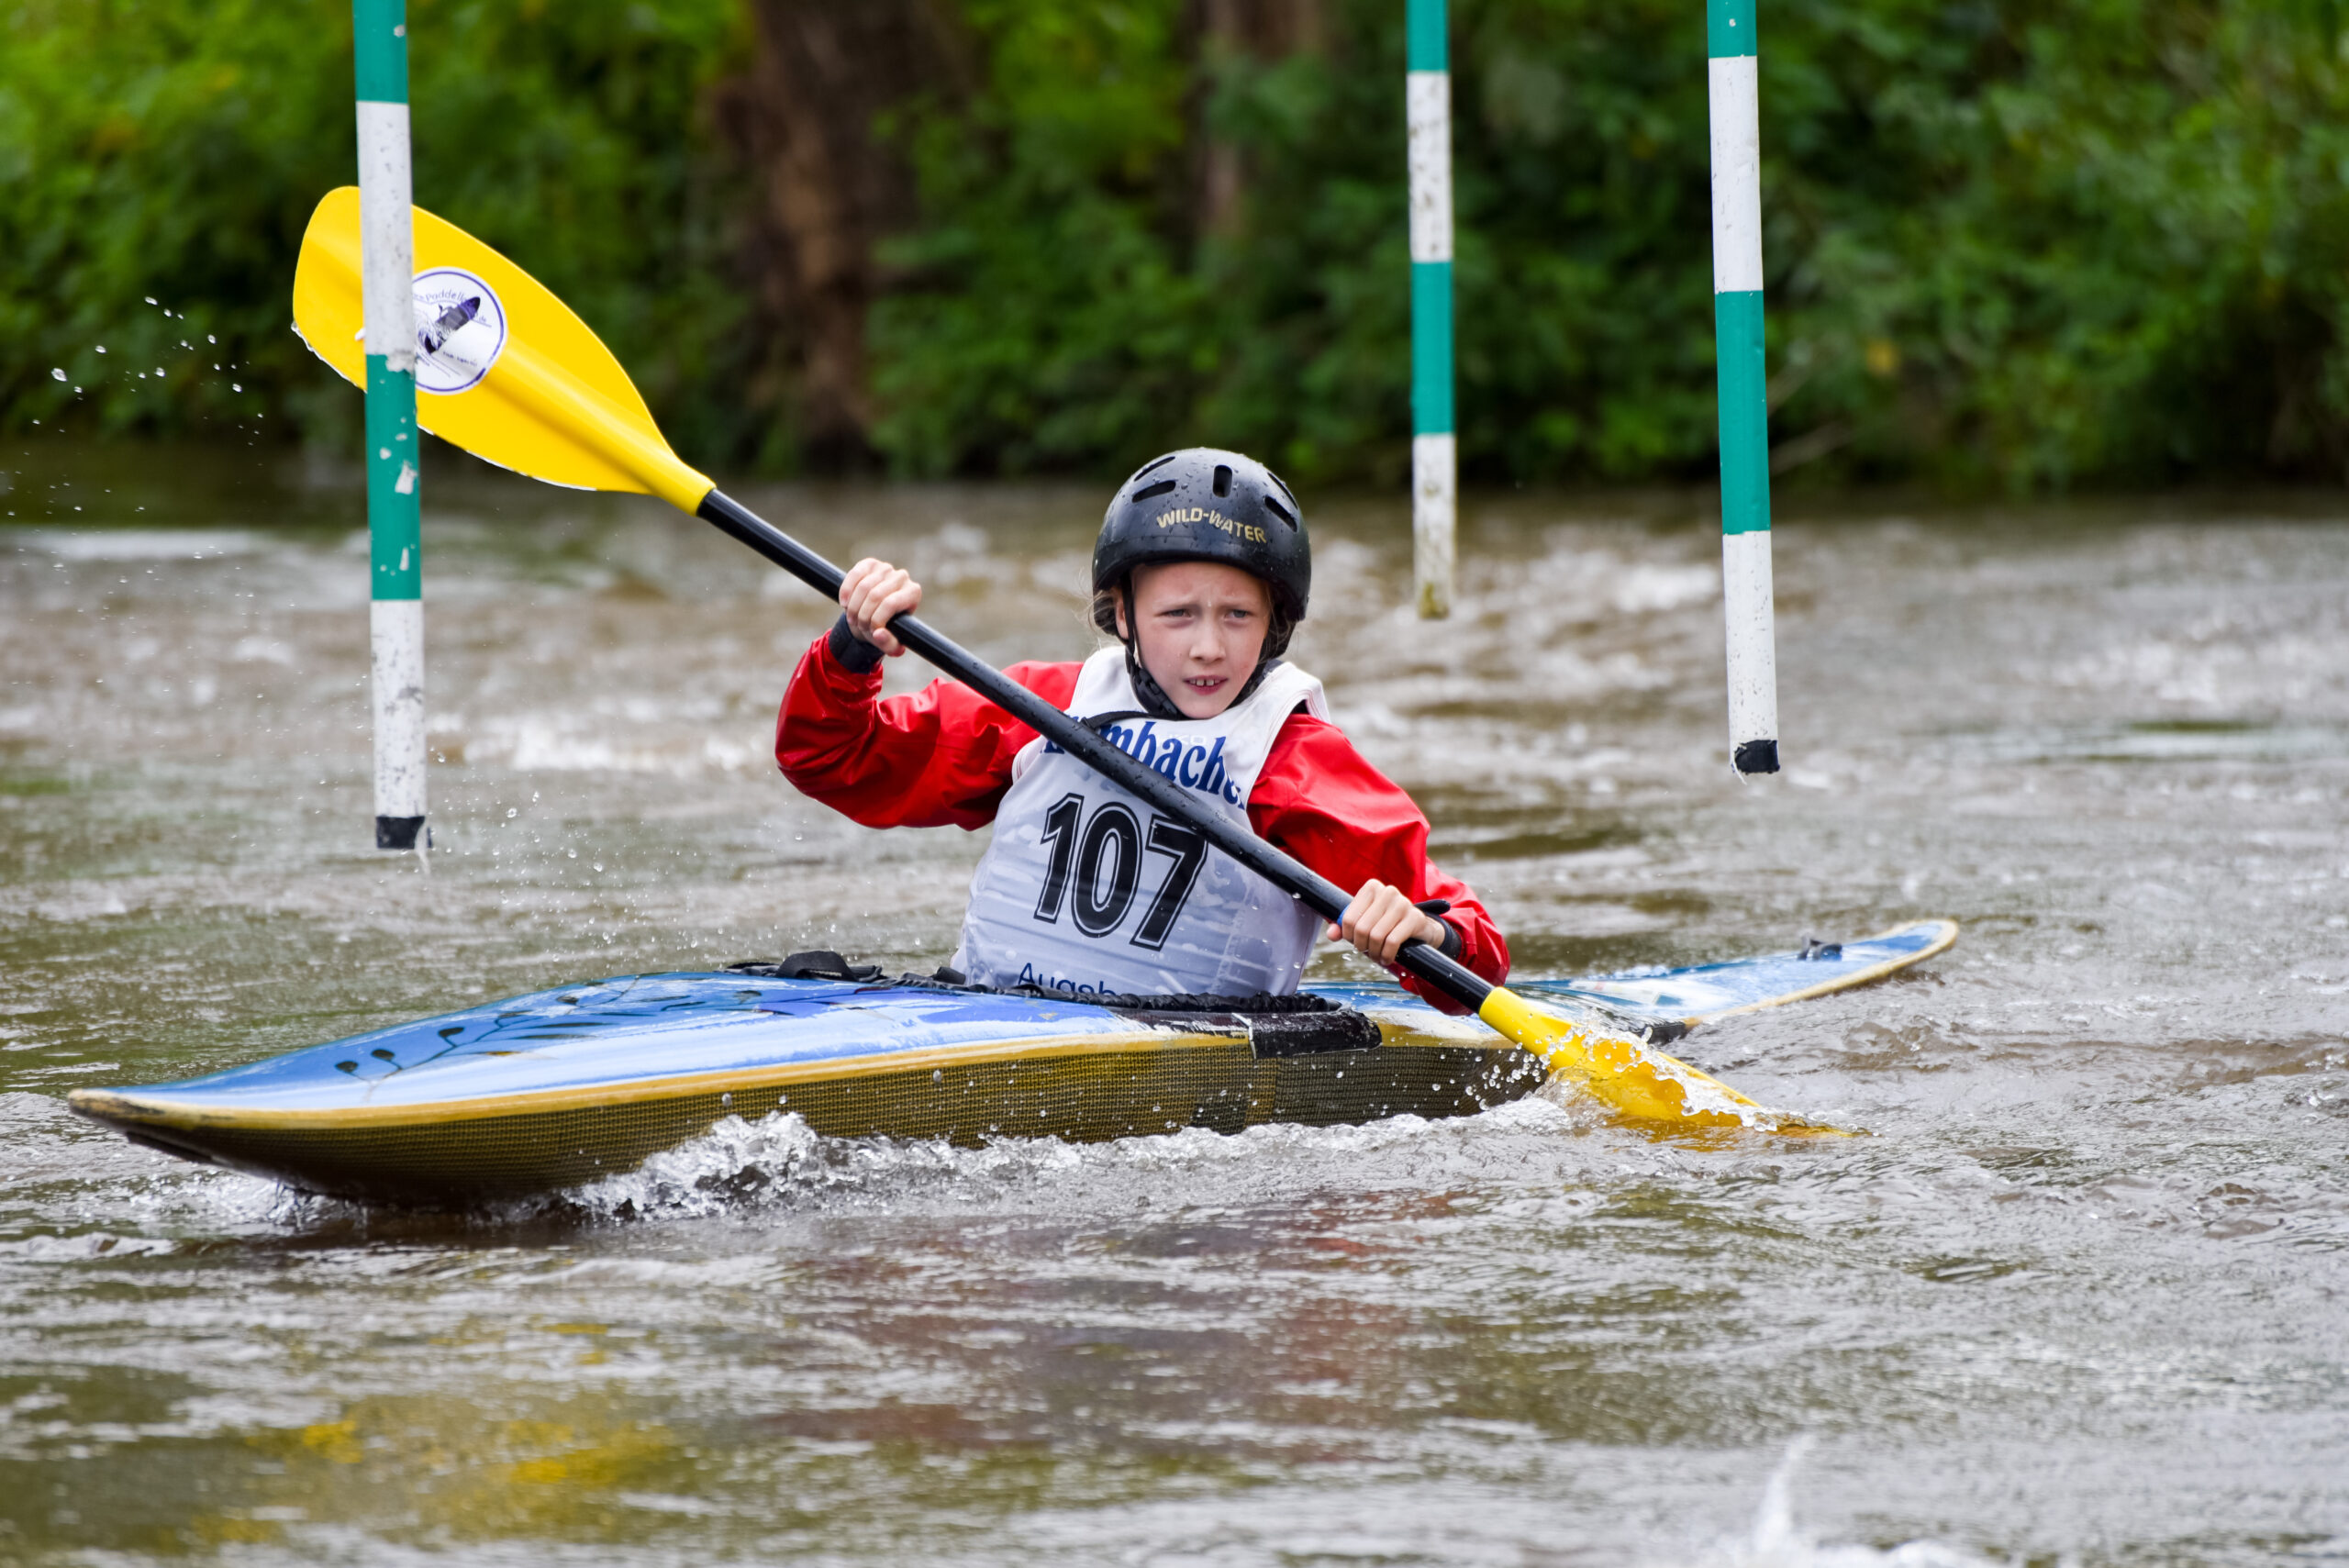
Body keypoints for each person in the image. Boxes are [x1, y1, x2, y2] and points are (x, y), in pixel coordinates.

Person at [774, 448, 1508, 1008]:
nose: (1208, 647)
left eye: (1238, 615)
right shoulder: (1042, 705)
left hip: (1189, 1059)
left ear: (1275, 625)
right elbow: (832, 757)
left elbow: (1473, 951)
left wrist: (1425, 931)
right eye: (1177, 613)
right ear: (1122, 614)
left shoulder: (1295, 762)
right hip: (985, 1014)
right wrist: (852, 647)